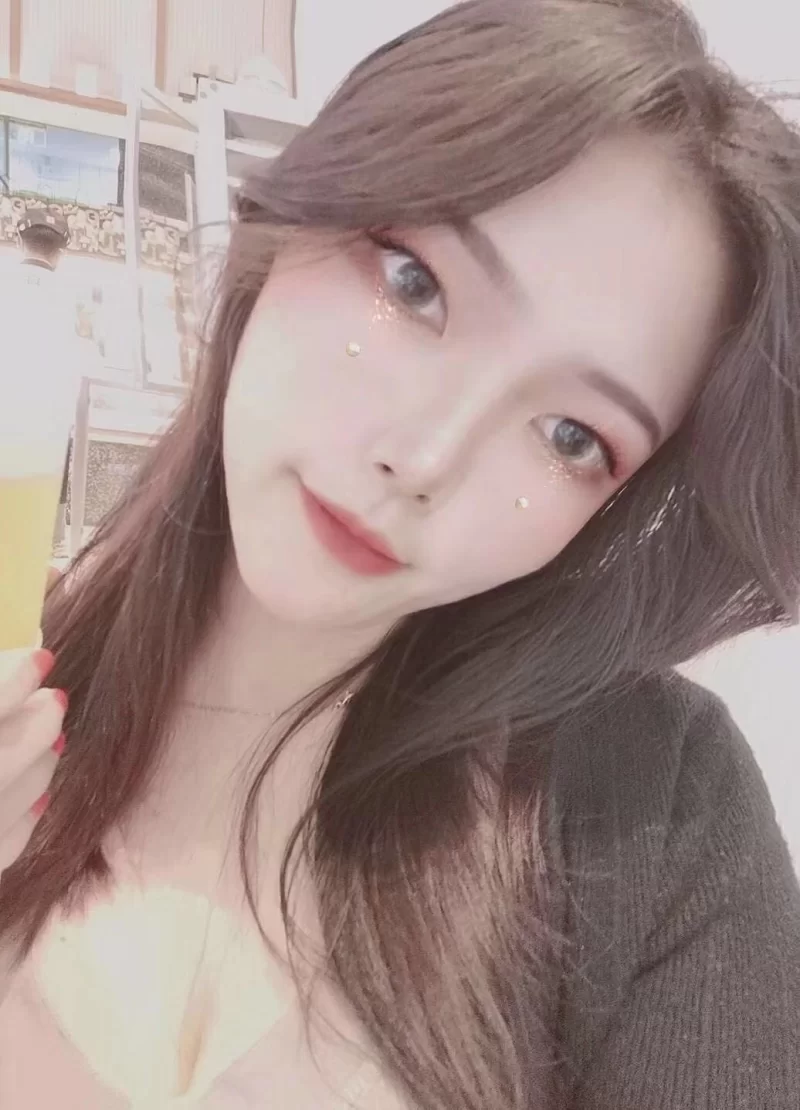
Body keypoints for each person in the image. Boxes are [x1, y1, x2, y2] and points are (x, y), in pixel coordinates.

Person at [0, 1, 798, 1106]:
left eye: (571, 436)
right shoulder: (20, 659)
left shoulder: (656, 811)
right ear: (296, 209)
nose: (423, 460)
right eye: (414, 285)